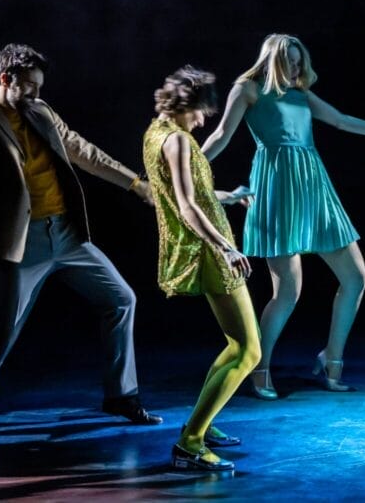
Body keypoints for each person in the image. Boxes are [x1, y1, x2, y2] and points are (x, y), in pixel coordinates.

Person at [0, 43, 161, 434]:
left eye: (39, 86)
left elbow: (84, 151)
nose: (36, 93)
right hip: (21, 242)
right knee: (5, 328)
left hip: (66, 233)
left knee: (121, 299)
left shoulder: (41, 111)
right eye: (29, 85)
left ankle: (122, 395)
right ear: (5, 79)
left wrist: (135, 183)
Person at [201, 34, 365, 399]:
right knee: (288, 292)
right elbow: (221, 135)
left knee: (355, 277)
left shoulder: (301, 94)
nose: (296, 69)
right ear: (274, 59)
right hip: (277, 187)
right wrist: (189, 168)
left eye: (299, 63)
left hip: (314, 187)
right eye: (291, 62)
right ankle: (258, 366)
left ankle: (332, 358)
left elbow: (342, 121)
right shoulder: (248, 89)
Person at [142, 66, 260, 471]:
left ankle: (201, 425)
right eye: (200, 112)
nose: (203, 120)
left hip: (203, 246)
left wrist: (229, 195)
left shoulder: (155, 133)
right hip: (210, 250)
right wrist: (225, 248)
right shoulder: (177, 140)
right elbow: (187, 206)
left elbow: (192, 195)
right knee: (249, 351)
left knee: (235, 344)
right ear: (184, 104)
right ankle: (190, 442)